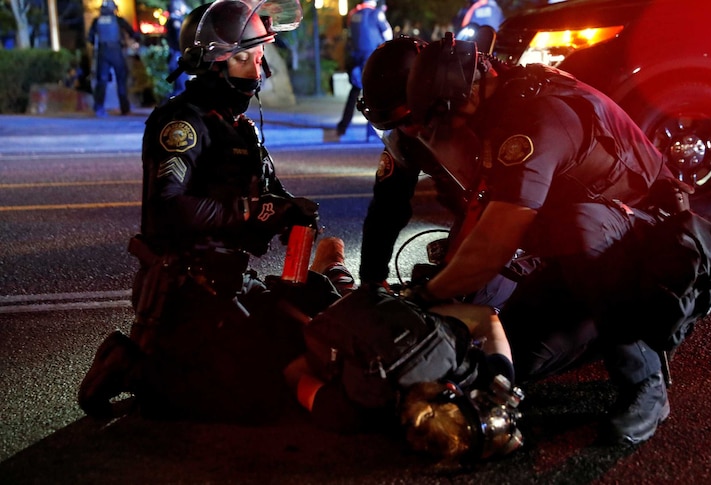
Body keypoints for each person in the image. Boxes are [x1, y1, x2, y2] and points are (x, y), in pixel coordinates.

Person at [403, 32, 695, 445]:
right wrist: (451, 299)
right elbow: (481, 222)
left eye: (450, 116)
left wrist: (426, 295)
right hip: (588, 260)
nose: (451, 128)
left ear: (473, 87)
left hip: (654, 250)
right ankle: (606, 325)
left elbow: (495, 243)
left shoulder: (533, 120)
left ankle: (645, 381)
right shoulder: (502, 108)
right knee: (511, 355)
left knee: (579, 223)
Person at [76, 0, 344, 423]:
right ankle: (137, 367)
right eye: (251, 59)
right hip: (185, 291)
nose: (260, 71)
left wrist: (289, 210)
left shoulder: (237, 126)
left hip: (232, 281)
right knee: (257, 391)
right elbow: (169, 208)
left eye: (260, 59)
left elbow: (267, 196)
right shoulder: (182, 122)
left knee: (315, 330)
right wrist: (249, 212)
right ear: (220, 61)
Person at [357, 35, 535, 310]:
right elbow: (387, 206)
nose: (410, 132)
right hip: (475, 210)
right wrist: (371, 281)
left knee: (476, 305)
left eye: (409, 119)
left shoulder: (495, 108)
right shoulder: (408, 134)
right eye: (397, 125)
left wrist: (440, 289)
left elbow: (502, 216)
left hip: (528, 215)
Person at [282, 285, 525, 463]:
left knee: (327, 260)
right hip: (323, 319)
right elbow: (296, 373)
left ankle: (334, 273)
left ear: (454, 391)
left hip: (372, 299)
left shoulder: (488, 378)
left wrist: (418, 317)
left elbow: (486, 316)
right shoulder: (356, 414)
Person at [335, 0, 392, 137]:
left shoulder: (354, 13)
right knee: (373, 93)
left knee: (355, 91)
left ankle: (343, 127)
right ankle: (373, 129)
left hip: (356, 58)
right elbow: (388, 36)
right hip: (372, 58)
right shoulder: (376, 14)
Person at [87, 0, 141, 117]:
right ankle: (124, 108)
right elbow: (132, 32)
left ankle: (99, 107)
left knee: (102, 81)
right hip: (116, 51)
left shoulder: (97, 21)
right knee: (121, 79)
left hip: (102, 52)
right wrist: (136, 40)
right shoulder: (117, 20)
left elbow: (90, 38)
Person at [166, 0, 190, 98]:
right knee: (181, 87)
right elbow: (179, 39)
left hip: (175, 56)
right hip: (177, 56)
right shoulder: (175, 20)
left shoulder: (174, 19)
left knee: (180, 87)